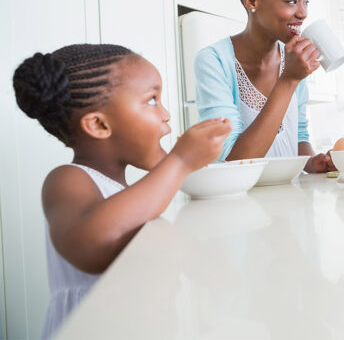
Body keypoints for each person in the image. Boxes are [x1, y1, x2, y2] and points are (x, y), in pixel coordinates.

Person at [13, 44, 231, 339]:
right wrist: (180, 161)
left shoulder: (128, 191)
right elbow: (89, 244)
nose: (166, 114)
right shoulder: (68, 179)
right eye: (152, 100)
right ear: (99, 124)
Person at [194, 0, 335, 172]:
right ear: (252, 1)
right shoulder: (214, 61)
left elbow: (298, 136)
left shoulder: (293, 59)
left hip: (288, 197)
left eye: (305, 2)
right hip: (238, 201)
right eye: (291, 1)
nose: (303, 13)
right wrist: (288, 79)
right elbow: (234, 162)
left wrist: (312, 162)